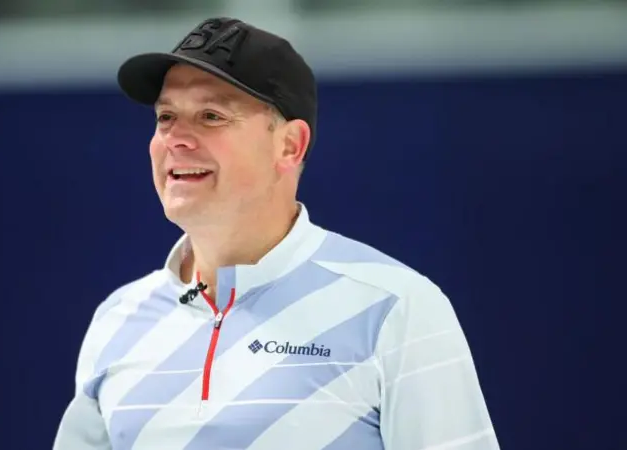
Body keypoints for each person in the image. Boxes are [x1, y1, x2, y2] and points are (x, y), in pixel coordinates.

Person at [53, 17, 499, 450]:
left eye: (210, 115)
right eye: (166, 116)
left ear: (289, 145)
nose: (176, 138)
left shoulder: (396, 308)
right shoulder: (118, 319)